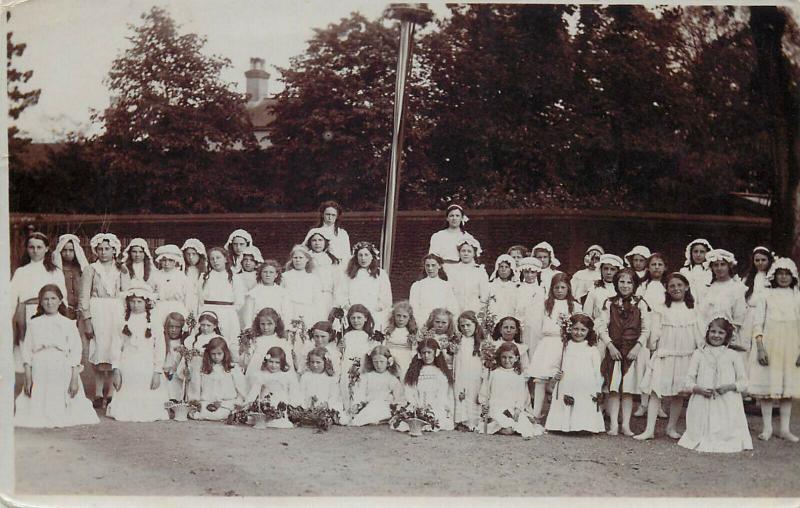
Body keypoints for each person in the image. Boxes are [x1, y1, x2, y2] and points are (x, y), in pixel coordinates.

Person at [14, 285, 99, 428]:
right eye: (45, 299)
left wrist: (74, 379)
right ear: (40, 302)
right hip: (40, 366)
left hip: (61, 366)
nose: (49, 302)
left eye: (53, 298)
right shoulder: (34, 323)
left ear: (60, 301)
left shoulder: (68, 324)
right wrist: (28, 378)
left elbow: (75, 352)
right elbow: (27, 352)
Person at [635, 273, 704, 440]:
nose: (676, 289)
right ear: (667, 289)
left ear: (687, 287)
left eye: (679, 285)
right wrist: (654, 348)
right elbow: (655, 332)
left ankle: (671, 427)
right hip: (664, 354)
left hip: (685, 355)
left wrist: (699, 352)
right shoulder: (661, 308)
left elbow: (698, 334)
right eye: (672, 286)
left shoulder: (694, 309)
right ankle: (649, 429)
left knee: (678, 393)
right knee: (655, 391)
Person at [678, 317, 752, 453]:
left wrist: (729, 387)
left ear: (727, 335)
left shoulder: (733, 355)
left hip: (727, 402)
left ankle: (726, 436)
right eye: (713, 331)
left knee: (725, 431)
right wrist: (697, 389)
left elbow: (744, 382)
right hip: (702, 401)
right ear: (707, 333)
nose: (716, 336)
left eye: (720, 333)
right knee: (700, 430)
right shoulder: (699, 354)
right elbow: (687, 381)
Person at [749, 257, 800, 442]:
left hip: (791, 345)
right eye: (780, 274)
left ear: (793, 276)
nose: (784, 277)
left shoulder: (797, 296)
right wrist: (760, 347)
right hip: (770, 344)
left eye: (787, 274)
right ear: (774, 275)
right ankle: (767, 427)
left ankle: (785, 429)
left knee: (787, 388)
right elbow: (758, 323)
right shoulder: (766, 295)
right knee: (768, 387)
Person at [597, 268, 651, 436]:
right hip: (614, 351)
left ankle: (626, 425)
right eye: (622, 282)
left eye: (629, 282)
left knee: (627, 389)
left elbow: (646, 329)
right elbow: (601, 327)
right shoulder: (609, 303)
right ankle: (613, 424)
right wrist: (610, 346)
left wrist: (637, 347)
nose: (625, 285)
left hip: (631, 351)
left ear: (635, 285)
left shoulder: (641, 303)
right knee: (613, 388)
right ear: (616, 283)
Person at [79, 233, 130, 409]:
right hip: (97, 310)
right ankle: (98, 392)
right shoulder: (91, 269)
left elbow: (126, 294)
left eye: (107, 249)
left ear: (114, 250)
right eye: (100, 249)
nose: (103, 252)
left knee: (113, 349)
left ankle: (112, 392)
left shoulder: (122, 270)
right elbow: (84, 296)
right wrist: (87, 319)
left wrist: (126, 317)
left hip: (116, 311)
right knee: (98, 349)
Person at [106, 283, 169, 422]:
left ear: (146, 303)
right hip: (127, 362)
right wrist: (116, 369)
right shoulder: (122, 321)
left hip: (147, 363)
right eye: (132, 302)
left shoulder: (154, 321)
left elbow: (160, 347)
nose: (135, 305)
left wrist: (157, 371)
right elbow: (116, 346)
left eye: (139, 302)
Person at [11, 232, 68, 373]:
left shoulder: (55, 272)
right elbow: (12, 298)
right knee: (30, 352)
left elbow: (63, 297)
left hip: (50, 314)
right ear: (27, 249)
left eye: (39, 247)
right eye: (31, 247)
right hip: (27, 314)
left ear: (47, 248)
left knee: (49, 351)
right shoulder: (21, 272)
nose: (35, 251)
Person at [529, 273, 581, 420]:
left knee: (563, 379)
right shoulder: (545, 305)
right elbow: (537, 327)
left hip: (566, 344)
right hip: (547, 343)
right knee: (541, 379)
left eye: (563, 287)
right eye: (556, 287)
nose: (559, 290)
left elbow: (580, 325)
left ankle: (560, 415)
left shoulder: (575, 306)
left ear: (569, 288)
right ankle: (536, 412)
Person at [545, 313, 605, 434]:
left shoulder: (591, 349)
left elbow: (596, 370)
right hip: (566, 381)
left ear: (589, 331)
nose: (579, 333)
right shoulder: (564, 346)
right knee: (566, 400)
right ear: (569, 329)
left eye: (583, 330)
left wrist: (597, 387)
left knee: (583, 402)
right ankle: (562, 425)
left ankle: (584, 426)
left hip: (585, 384)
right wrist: (555, 374)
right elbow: (554, 365)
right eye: (575, 329)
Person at [478, 342, 539, 438]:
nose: (507, 361)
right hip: (496, 407)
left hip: (511, 408)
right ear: (499, 357)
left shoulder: (518, 376)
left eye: (510, 357)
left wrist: (518, 410)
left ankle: (511, 424)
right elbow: (485, 391)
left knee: (523, 426)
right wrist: (484, 404)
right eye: (504, 357)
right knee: (508, 429)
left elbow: (521, 396)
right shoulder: (493, 373)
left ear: (516, 358)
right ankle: (495, 424)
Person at [396, 338, 455, 432]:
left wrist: (431, 406)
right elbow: (410, 389)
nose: (426, 356)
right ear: (419, 354)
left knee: (436, 419)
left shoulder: (440, 373)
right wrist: (415, 404)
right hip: (417, 404)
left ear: (436, 353)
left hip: (434, 405)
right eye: (423, 353)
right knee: (407, 421)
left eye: (429, 352)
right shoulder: (414, 372)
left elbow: (442, 393)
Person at [699, 249, 747, 353]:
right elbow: (702, 314)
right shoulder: (707, 288)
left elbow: (739, 316)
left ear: (729, 266)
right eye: (716, 265)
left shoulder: (736, 288)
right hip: (709, 338)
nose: (719, 268)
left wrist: (729, 338)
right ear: (711, 267)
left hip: (729, 339)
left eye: (722, 264)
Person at [189, 337, 247, 421]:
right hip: (207, 402)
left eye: (219, 354)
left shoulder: (232, 368)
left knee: (221, 414)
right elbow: (196, 386)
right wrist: (195, 402)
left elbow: (241, 387)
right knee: (201, 412)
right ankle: (202, 414)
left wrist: (239, 402)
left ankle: (227, 415)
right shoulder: (203, 368)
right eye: (213, 354)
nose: (216, 357)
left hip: (225, 403)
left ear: (225, 353)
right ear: (209, 354)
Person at [199, 247, 242, 360]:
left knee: (228, 340)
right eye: (212, 259)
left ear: (226, 259)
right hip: (208, 312)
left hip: (227, 313)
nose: (215, 261)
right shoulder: (204, 277)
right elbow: (199, 298)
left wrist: (229, 312)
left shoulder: (234, 277)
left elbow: (239, 300)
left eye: (218, 258)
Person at [337, 242, 392, 328]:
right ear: (356, 257)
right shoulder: (348, 274)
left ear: (372, 256)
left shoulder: (381, 274)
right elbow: (341, 295)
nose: (363, 258)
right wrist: (351, 310)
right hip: (353, 315)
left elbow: (386, 298)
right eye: (360, 255)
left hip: (373, 314)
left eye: (366, 255)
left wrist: (371, 311)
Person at [245, 347, 300, 428]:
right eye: (271, 362)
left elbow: (293, 391)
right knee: (257, 416)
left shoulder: (286, 376)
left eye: (277, 363)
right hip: (265, 402)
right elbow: (255, 391)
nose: (274, 365)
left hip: (281, 402)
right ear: (266, 361)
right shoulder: (261, 375)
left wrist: (293, 405)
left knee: (279, 419)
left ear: (282, 363)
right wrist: (248, 403)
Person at [348, 345, 404, 426]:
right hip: (369, 404)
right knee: (368, 410)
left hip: (385, 406)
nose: (378, 365)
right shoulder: (367, 376)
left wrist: (396, 407)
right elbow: (360, 392)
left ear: (388, 362)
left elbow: (398, 397)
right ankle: (371, 419)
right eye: (375, 362)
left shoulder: (391, 378)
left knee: (376, 407)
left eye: (382, 362)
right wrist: (358, 404)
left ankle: (377, 419)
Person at [242, 307, 293, 387]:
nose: (265, 328)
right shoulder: (255, 341)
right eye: (262, 324)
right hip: (255, 375)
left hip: (276, 378)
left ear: (276, 324)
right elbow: (245, 363)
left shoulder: (282, 342)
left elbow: (288, 365)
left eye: (269, 324)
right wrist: (246, 350)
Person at [428, 204, 481, 278]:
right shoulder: (438, 236)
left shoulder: (468, 237)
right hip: (442, 271)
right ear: (447, 218)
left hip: (462, 272)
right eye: (451, 215)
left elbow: (474, 259)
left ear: (462, 218)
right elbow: (432, 258)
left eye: (457, 215)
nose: (454, 218)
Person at [340, 304, 377, 409]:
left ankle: (359, 408)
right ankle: (347, 408)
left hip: (363, 366)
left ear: (365, 318)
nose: (356, 321)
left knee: (361, 388)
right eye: (353, 318)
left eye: (359, 318)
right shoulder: (346, 335)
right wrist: (341, 348)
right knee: (347, 386)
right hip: (348, 365)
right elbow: (343, 354)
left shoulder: (370, 336)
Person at [453, 311, 485, 431]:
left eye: (468, 325)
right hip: (461, 373)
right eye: (462, 326)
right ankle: (462, 420)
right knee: (461, 395)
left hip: (475, 375)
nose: (465, 328)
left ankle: (473, 421)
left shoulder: (481, 342)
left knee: (473, 395)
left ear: (475, 325)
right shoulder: (458, 341)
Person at [409, 253, 459, 326]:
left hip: (441, 323)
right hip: (422, 322)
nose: (430, 268)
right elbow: (413, 307)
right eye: (427, 265)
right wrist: (420, 323)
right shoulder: (417, 286)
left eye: (433, 265)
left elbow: (452, 307)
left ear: (439, 266)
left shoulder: (446, 286)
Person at [184, 311, 224, 400]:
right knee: (195, 387)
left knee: (208, 390)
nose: (205, 328)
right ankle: (193, 405)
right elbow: (187, 354)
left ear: (215, 325)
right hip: (196, 368)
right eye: (202, 325)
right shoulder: (194, 338)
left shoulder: (218, 338)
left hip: (211, 368)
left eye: (208, 325)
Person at [304, 228, 343, 318]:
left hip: (328, 297)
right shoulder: (306, 258)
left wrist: (336, 303)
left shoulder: (332, 260)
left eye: (320, 240)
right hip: (311, 297)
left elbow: (337, 282)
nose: (317, 243)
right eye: (314, 240)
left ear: (325, 242)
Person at [299, 347, 345, 421]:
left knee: (337, 409)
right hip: (309, 406)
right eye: (312, 362)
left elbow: (334, 395)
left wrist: (326, 405)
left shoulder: (330, 377)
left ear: (325, 362)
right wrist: (306, 406)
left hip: (325, 405)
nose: (315, 365)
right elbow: (301, 393)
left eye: (318, 362)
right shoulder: (305, 376)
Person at [282, 244, 323, 325]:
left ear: (307, 259)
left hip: (308, 313)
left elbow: (317, 300)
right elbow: (282, 296)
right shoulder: (285, 276)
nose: (298, 260)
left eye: (301, 258)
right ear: (291, 259)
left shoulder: (313, 278)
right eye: (295, 258)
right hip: (289, 311)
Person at [151, 244, 191, 325]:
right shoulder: (155, 275)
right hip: (160, 307)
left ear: (175, 261)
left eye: (170, 260)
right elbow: (150, 292)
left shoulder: (181, 276)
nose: (166, 263)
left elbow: (187, 296)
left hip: (176, 306)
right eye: (164, 260)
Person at [52, 234, 89, 321]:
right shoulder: (56, 270)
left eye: (71, 250)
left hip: (81, 310)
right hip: (63, 310)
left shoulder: (82, 269)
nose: (67, 253)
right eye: (64, 250)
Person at [243, 259, 289, 327]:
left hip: (277, 328)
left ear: (276, 275)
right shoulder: (253, 293)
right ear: (260, 274)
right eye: (265, 272)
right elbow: (248, 317)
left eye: (271, 272)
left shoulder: (283, 293)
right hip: (258, 328)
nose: (268, 275)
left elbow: (286, 314)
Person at [447, 239, 489, 314]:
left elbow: (485, 294)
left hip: (474, 307)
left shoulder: (480, 271)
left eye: (469, 251)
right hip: (456, 307)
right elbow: (449, 291)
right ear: (459, 253)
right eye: (463, 251)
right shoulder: (453, 270)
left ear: (474, 254)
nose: (466, 253)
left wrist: (481, 311)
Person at [514, 257, 546, 349]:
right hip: (521, 322)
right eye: (526, 272)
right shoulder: (518, 289)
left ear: (537, 273)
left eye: (532, 272)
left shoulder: (541, 289)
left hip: (537, 323)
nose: (529, 275)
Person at [384, 301, 419, 378]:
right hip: (390, 359)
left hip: (405, 360)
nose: (401, 319)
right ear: (394, 316)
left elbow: (415, 350)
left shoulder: (412, 332)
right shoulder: (388, 330)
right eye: (398, 316)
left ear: (409, 318)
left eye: (404, 316)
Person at [162, 312, 187, 402]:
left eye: (177, 327)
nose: (173, 330)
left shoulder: (184, 342)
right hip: (164, 374)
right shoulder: (163, 341)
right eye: (171, 327)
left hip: (178, 375)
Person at [181, 238, 207, 317]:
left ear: (199, 255)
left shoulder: (205, 270)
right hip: (185, 301)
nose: (190, 257)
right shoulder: (182, 270)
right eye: (188, 254)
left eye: (194, 254)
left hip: (200, 303)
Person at [488, 254, 519, 319]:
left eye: (506, 267)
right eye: (501, 267)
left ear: (511, 269)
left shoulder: (516, 287)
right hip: (493, 317)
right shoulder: (490, 285)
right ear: (497, 268)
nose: (503, 269)